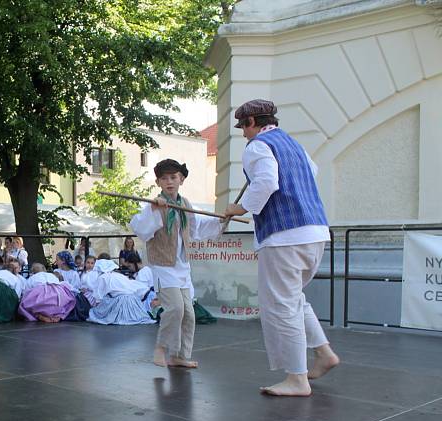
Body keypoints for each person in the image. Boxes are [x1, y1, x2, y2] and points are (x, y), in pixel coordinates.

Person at [224, 99, 340, 396]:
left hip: (284, 235)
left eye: (243, 127)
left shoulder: (257, 147)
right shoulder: (294, 144)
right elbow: (308, 175)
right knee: (293, 299)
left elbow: (266, 182)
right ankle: (324, 354)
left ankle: (297, 379)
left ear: (252, 123)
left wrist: (241, 208)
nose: (243, 134)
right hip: (315, 231)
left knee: (281, 306)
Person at [129, 158, 224, 369]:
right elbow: (142, 230)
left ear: (181, 179)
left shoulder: (185, 204)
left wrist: (221, 220)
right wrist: (155, 210)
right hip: (163, 266)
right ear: (158, 182)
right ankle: (161, 348)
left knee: (189, 314)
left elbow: (196, 228)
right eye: (164, 178)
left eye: (173, 177)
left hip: (182, 266)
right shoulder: (154, 205)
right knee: (175, 309)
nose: (169, 182)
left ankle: (179, 356)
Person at [87, 259, 155, 325]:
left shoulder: (103, 277)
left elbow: (98, 296)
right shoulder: (120, 276)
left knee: (95, 312)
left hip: (121, 303)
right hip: (134, 302)